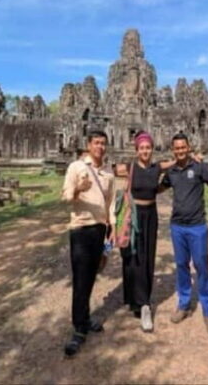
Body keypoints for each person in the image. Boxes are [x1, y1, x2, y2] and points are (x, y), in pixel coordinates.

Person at [160, 132, 208, 336]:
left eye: (183, 147)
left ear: (188, 148)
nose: (180, 151)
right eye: (177, 148)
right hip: (177, 226)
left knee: (201, 266)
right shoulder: (171, 172)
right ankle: (184, 304)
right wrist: (139, 180)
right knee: (181, 266)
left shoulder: (199, 167)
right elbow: (157, 188)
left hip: (197, 226)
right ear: (173, 150)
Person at [60, 130, 116, 357]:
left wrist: (112, 228)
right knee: (81, 278)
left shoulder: (108, 173)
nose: (100, 147)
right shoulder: (76, 167)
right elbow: (65, 196)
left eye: (103, 143)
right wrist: (78, 189)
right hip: (81, 229)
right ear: (89, 145)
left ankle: (84, 317)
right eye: (96, 143)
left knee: (93, 274)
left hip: (100, 229)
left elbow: (111, 202)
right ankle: (79, 328)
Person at [115, 131, 170, 333]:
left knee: (147, 257)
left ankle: (144, 302)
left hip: (151, 216)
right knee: (132, 257)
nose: (145, 151)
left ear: (152, 149)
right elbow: (107, 169)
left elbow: (173, 163)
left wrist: (190, 158)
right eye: (142, 148)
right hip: (133, 216)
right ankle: (135, 299)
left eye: (148, 148)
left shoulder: (156, 168)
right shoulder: (129, 168)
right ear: (136, 150)